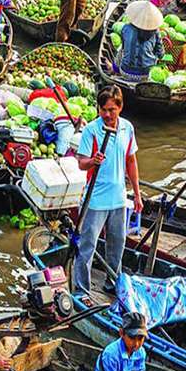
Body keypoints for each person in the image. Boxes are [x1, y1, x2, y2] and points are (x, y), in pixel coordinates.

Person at [75, 85, 143, 301]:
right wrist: (92, 161)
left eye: (111, 110)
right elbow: (81, 163)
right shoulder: (91, 131)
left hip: (118, 198)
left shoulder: (127, 129)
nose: (106, 114)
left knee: (117, 244)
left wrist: (137, 194)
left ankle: (112, 282)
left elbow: (131, 161)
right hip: (95, 200)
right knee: (87, 246)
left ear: (120, 108)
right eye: (103, 109)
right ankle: (81, 290)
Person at [92, 313, 167, 371]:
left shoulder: (140, 352)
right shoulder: (111, 355)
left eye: (140, 338)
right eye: (132, 338)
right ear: (122, 333)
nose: (136, 344)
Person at [119, 0, 165, 80]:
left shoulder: (126, 28)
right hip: (146, 74)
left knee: (120, 50)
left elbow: (124, 48)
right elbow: (160, 54)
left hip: (126, 72)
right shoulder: (155, 32)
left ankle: (114, 69)